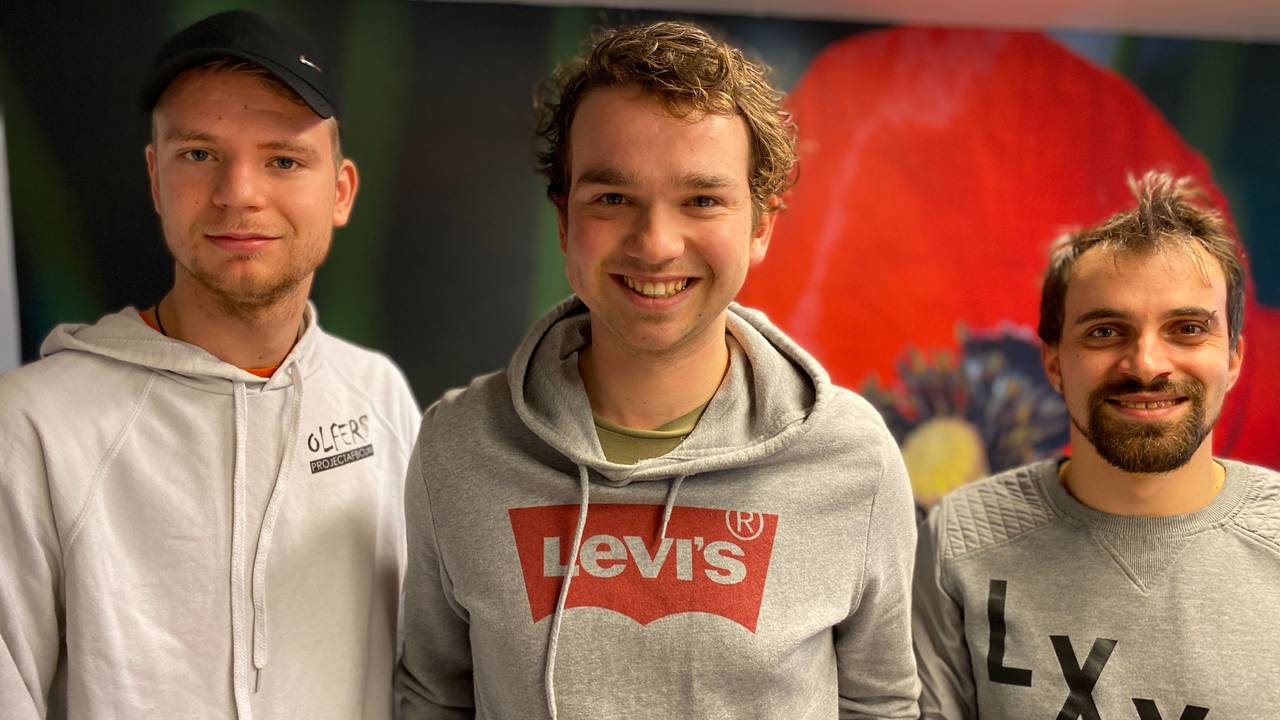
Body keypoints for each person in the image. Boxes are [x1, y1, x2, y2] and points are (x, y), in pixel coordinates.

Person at [396, 20, 919, 719]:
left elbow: (881, 706)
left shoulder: (853, 458)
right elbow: (432, 698)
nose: (656, 243)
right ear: (564, 221)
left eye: (702, 200)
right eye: (612, 199)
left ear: (761, 225)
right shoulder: (458, 449)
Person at [0, 11, 420, 719]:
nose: (238, 194)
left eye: (283, 159)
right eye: (199, 154)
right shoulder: (33, 425)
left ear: (341, 191)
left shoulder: (379, 396)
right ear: (155, 178)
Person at [912, 171, 1280, 717]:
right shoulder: (960, 539)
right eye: (1106, 332)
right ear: (1054, 363)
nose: (1148, 365)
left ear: (1233, 361)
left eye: (1187, 329)